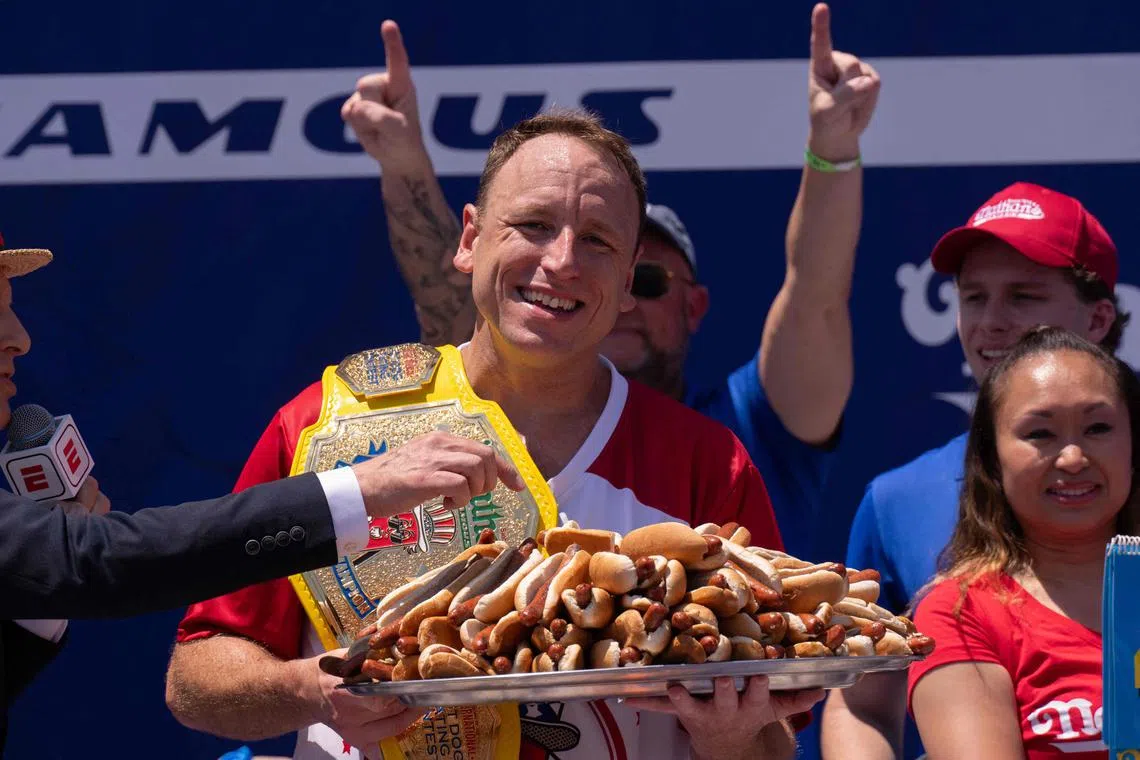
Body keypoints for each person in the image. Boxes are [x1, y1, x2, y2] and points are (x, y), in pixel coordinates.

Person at [165, 110, 821, 759]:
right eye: (533, 225)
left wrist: (730, 733)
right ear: (470, 240)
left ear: (627, 283)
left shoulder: (706, 463)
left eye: (597, 240)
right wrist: (311, 687)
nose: (561, 261)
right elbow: (196, 675)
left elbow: (771, 744)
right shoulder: (323, 428)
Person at [339, 3, 880, 560]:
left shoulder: (734, 439)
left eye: (641, 274)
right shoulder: (363, 423)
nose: (565, 263)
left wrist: (834, 151)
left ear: (691, 306)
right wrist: (404, 165)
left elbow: (815, 294)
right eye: (535, 226)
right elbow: (466, 290)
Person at [0, 237, 524, 747]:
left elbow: (82, 566)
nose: (19, 336)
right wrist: (358, 490)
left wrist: (38, 579)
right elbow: (104, 560)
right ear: (470, 238)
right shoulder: (314, 428)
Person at [821, 182, 1127, 759]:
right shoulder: (897, 499)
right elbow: (860, 699)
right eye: (974, 296)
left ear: (1099, 318)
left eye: (1023, 296)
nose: (990, 322)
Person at [908, 326, 1135, 758]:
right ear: (992, 460)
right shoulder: (961, 615)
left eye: (1099, 427)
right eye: (1040, 434)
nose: (1073, 457)